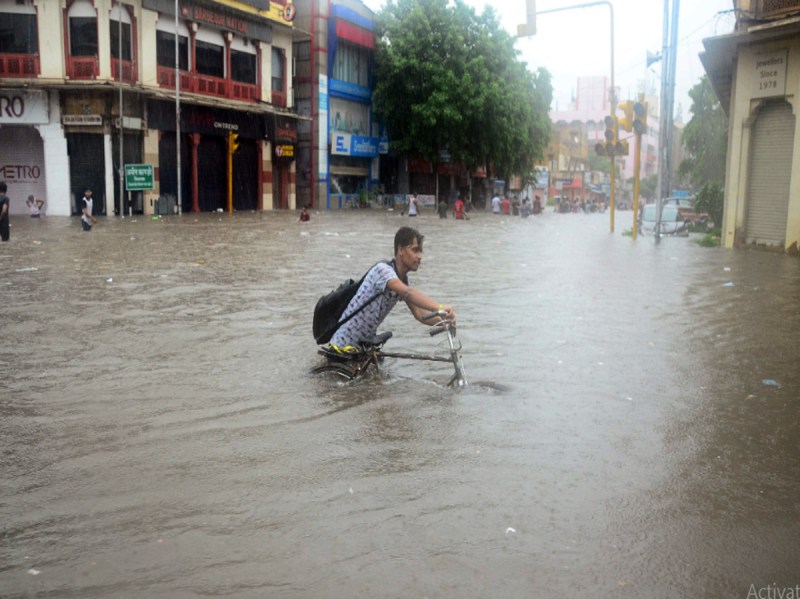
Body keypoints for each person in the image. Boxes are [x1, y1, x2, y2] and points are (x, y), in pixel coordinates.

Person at [328, 226, 455, 353]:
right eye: (415, 250)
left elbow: (420, 314)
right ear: (400, 250)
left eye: (420, 251)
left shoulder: (402, 280)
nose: (420, 256)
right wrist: (439, 307)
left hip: (362, 345)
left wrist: (444, 321)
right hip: (343, 345)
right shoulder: (383, 271)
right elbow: (408, 292)